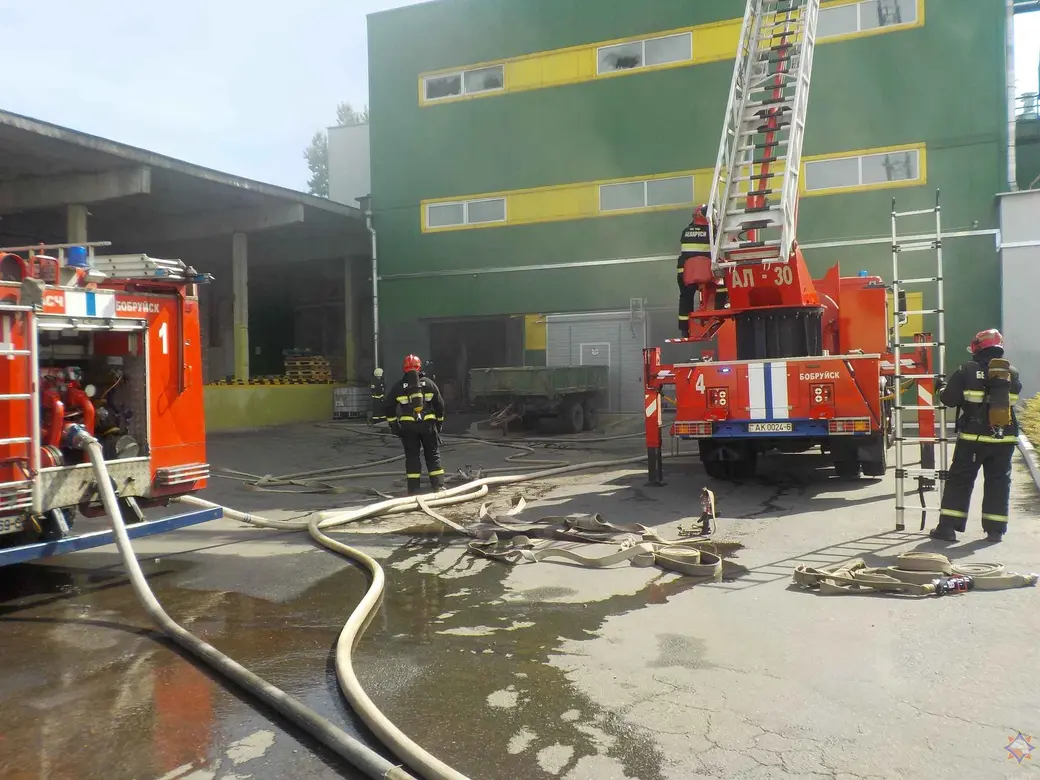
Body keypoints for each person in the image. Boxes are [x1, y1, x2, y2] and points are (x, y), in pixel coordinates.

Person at [930, 329, 1022, 543]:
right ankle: (995, 531)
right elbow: (1013, 400)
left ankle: (948, 529)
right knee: (998, 482)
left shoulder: (967, 369)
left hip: (973, 439)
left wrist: (940, 387)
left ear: (977, 347)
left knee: (960, 481)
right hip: (1004, 439)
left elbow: (949, 399)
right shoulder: (1012, 372)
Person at [384, 354, 446, 495]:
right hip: (428, 426)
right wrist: (439, 422)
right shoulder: (429, 384)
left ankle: (413, 489)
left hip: (408, 428)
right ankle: (438, 486)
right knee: (433, 454)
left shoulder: (399, 387)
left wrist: (394, 425)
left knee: (412, 456)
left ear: (404, 369)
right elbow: (440, 405)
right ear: (420, 367)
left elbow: (388, 406)